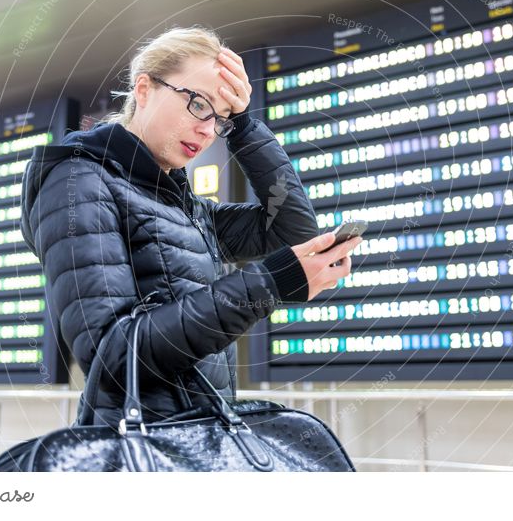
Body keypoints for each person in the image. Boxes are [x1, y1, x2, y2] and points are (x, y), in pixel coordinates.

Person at [20, 25, 361, 427]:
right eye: (198, 105)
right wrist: (266, 285)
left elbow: (293, 232)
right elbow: (113, 357)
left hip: (199, 438)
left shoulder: (184, 206)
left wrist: (245, 128)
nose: (207, 130)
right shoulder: (77, 184)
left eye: (220, 118)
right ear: (144, 89)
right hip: (140, 457)